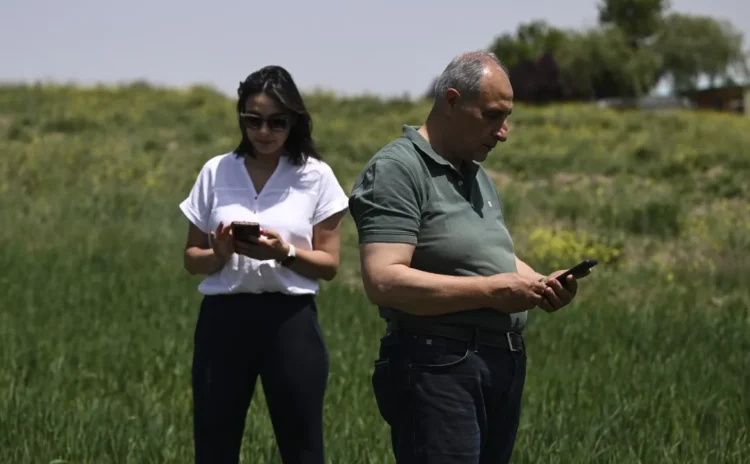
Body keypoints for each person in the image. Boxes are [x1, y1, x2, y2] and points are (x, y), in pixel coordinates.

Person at [348, 51, 591, 463]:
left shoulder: (476, 175)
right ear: (453, 101)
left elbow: (492, 257)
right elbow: (383, 280)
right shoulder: (397, 169)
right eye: (493, 116)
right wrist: (491, 292)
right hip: (438, 366)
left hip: (498, 365)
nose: (504, 133)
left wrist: (540, 283)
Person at [179, 65, 349, 464]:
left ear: (295, 121)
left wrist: (284, 253)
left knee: (303, 448)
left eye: (277, 122)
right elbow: (191, 258)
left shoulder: (316, 175)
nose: (264, 131)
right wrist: (220, 253)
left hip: (289, 321)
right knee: (214, 446)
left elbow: (329, 264)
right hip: (223, 320)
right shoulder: (216, 170)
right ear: (241, 118)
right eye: (253, 120)